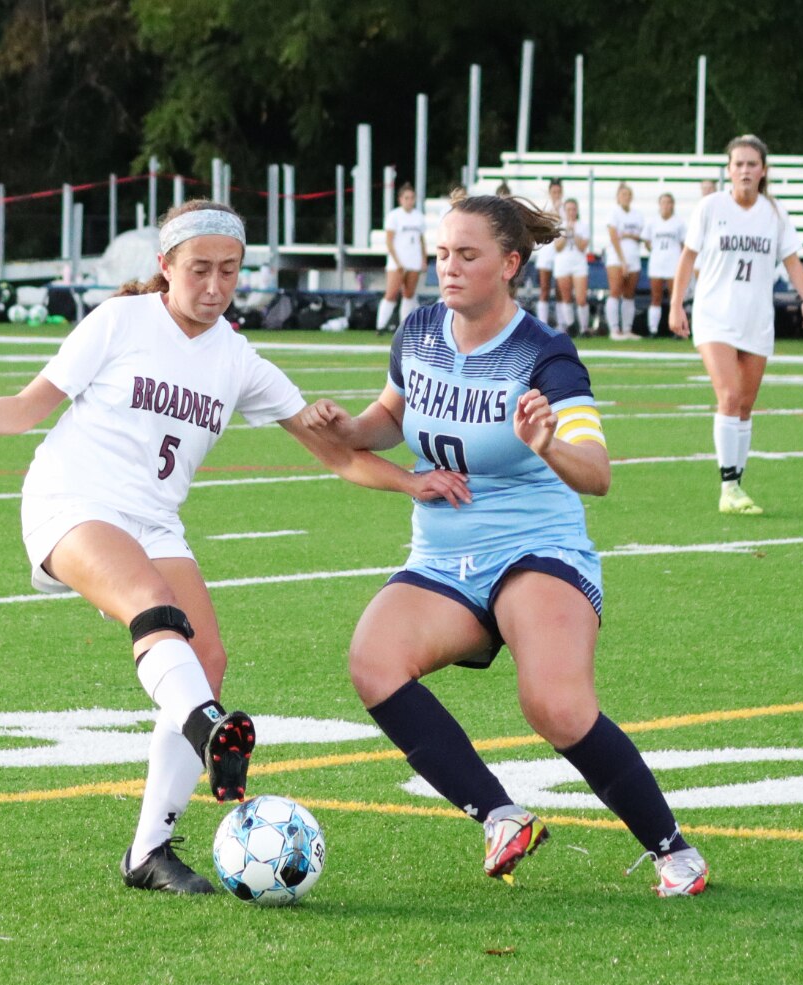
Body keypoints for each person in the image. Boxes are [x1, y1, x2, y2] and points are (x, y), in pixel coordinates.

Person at [0, 199, 468, 896]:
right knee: (152, 607)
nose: (216, 286)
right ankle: (208, 730)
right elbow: (26, 408)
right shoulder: (119, 322)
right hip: (72, 501)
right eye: (199, 269)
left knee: (208, 656)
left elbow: (337, 455)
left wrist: (411, 481)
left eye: (230, 270)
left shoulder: (238, 358)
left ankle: (149, 852)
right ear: (164, 267)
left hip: (154, 521)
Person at [301, 194, 710, 898]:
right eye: (441, 256)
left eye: (467, 255)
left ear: (509, 263)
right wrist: (343, 424)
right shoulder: (419, 330)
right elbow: (384, 422)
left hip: (535, 549)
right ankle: (500, 816)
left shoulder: (542, 352)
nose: (448, 270)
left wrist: (547, 444)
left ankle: (672, 850)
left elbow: (598, 475)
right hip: (441, 558)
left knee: (553, 706)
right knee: (373, 663)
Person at [670, 135, 803, 516]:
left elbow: (792, 260)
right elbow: (688, 258)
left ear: (763, 170)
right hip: (714, 315)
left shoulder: (775, 213)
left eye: (752, 164)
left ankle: (736, 483)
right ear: (729, 170)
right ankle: (728, 486)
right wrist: (676, 305)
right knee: (730, 395)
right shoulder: (711, 207)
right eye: (738, 164)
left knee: (746, 405)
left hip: (756, 318)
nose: (745, 170)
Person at [378, 182, 428, 332]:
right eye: (406, 198)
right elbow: (389, 240)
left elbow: (421, 239)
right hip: (398, 261)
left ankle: (404, 326)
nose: (409, 201)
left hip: (413, 260)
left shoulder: (418, 217)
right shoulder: (394, 216)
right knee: (391, 293)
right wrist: (397, 261)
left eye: (412, 198)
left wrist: (423, 258)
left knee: (409, 293)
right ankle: (380, 325)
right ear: (400, 199)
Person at [642, 193, 686, 336]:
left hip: (673, 263)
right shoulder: (652, 222)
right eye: (663, 202)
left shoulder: (679, 223)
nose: (666, 205)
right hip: (657, 263)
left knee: (675, 297)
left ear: (672, 205)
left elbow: (683, 244)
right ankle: (653, 329)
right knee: (656, 297)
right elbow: (646, 241)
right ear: (659, 205)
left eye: (669, 202)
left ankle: (676, 330)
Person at [604, 183, 644, 340]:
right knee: (615, 291)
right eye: (623, 194)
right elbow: (614, 236)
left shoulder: (638, 215)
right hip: (616, 258)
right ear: (618, 197)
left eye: (628, 194)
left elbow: (640, 236)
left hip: (634, 257)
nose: (626, 197)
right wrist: (622, 260)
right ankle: (614, 329)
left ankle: (627, 329)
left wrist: (627, 235)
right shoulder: (613, 213)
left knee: (629, 294)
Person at [553, 196, 592, 336]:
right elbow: (557, 247)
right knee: (566, 297)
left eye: (573, 209)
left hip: (578, 263)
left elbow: (582, 247)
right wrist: (565, 232)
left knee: (581, 298)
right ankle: (570, 325)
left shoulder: (583, 226)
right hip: (563, 263)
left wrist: (574, 232)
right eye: (568, 209)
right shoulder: (559, 226)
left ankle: (584, 327)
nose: (571, 212)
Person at [532, 178, 564, 326]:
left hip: (561, 254)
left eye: (558, 191)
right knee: (544, 289)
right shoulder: (545, 208)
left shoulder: (566, 208)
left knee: (560, 291)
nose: (556, 194)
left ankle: (561, 324)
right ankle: (543, 323)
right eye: (554, 191)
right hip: (546, 254)